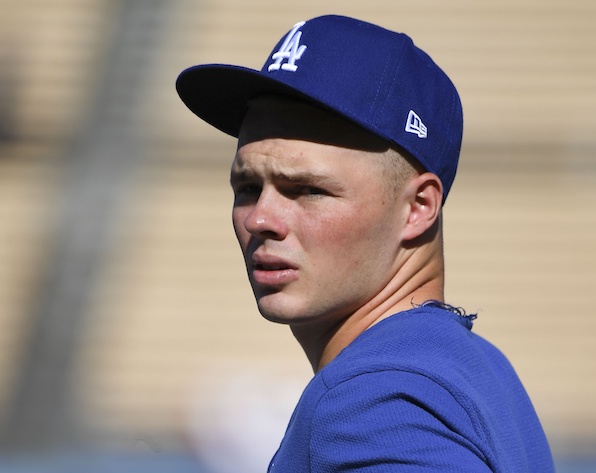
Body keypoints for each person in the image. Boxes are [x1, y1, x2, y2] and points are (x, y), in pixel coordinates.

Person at [176, 14, 555, 473]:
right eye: (248, 187)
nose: (260, 218)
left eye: (307, 190)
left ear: (417, 208)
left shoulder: (374, 401)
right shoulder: (476, 366)